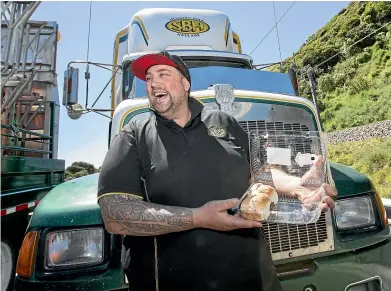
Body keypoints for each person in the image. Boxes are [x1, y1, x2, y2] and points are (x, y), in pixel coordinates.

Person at [97, 51, 337, 291]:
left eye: (163, 74)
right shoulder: (133, 135)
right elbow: (114, 214)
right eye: (148, 78)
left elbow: (259, 174)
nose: (153, 83)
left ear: (185, 83)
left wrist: (297, 186)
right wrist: (198, 218)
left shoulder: (223, 121)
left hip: (255, 279)